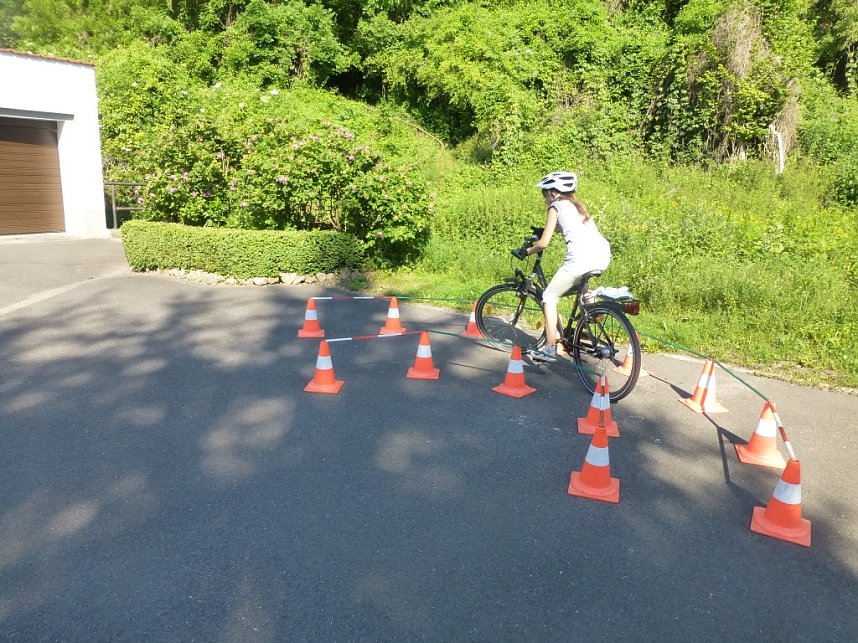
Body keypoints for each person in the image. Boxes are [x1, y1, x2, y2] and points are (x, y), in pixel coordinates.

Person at [518, 171, 611, 362]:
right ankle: (590, 316)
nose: (544, 199)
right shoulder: (578, 206)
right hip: (601, 254)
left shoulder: (555, 207)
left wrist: (526, 251)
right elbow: (564, 227)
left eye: (545, 194)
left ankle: (550, 349)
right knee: (582, 284)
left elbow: (544, 243)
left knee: (549, 297)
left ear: (553, 193)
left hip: (580, 258)